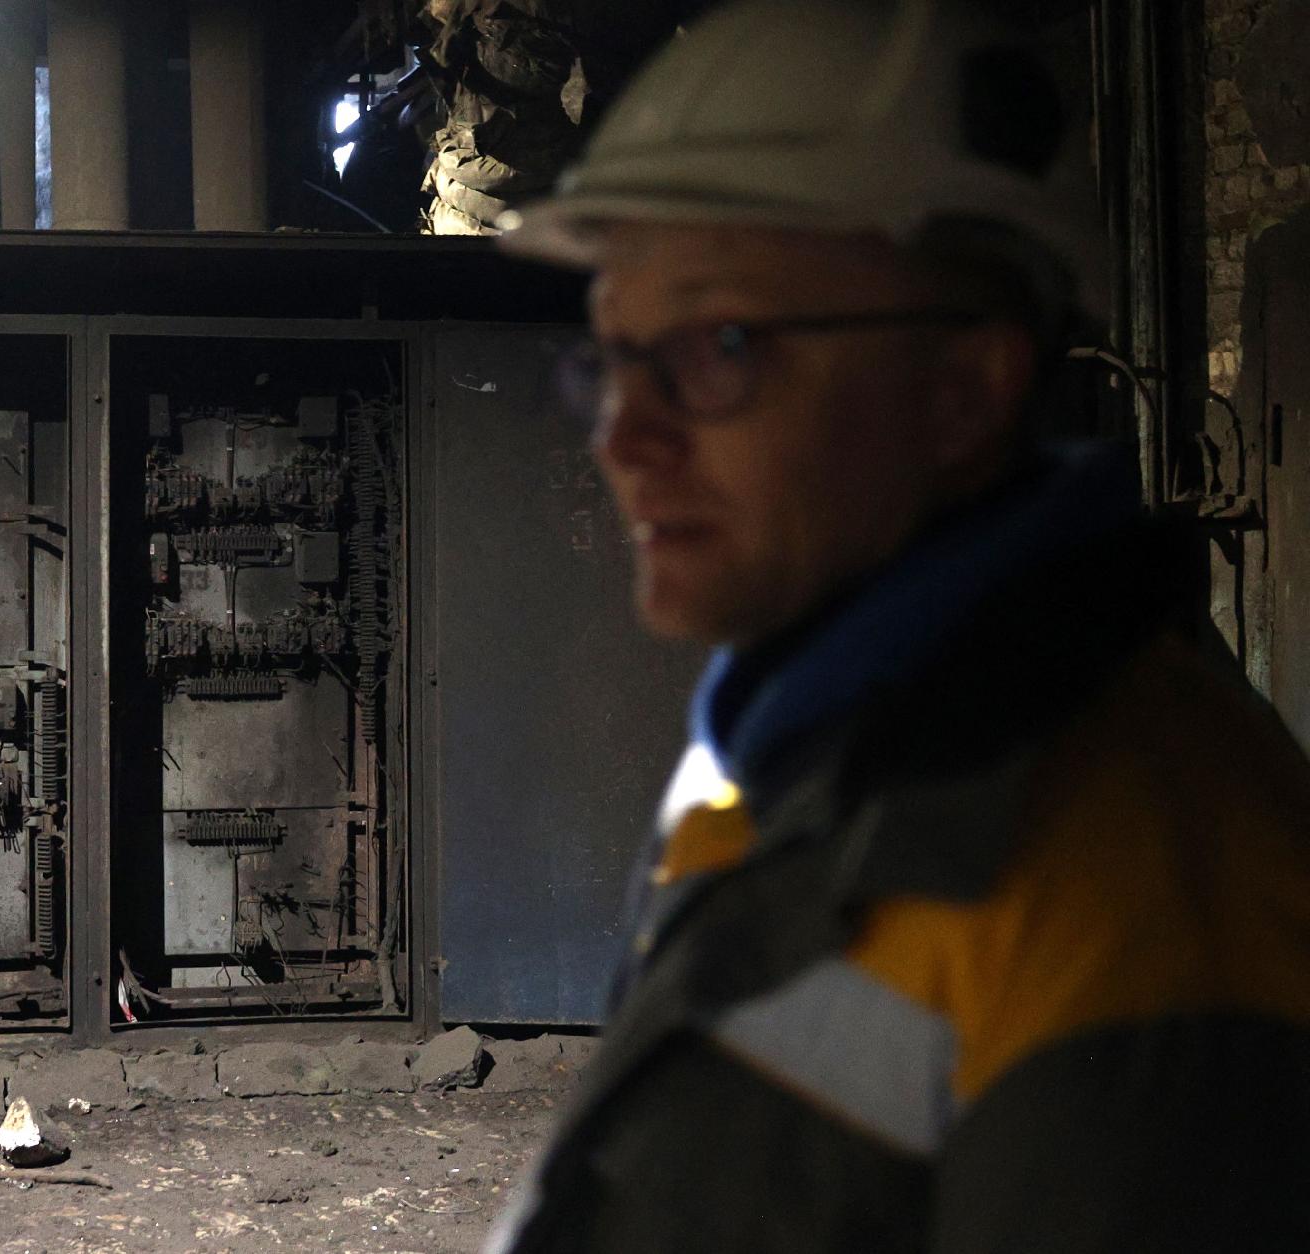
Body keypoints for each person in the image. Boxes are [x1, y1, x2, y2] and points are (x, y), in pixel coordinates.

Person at [484, 1, 1310, 1250]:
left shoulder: (1146, 894)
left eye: (720, 345)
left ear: (964, 388)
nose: (625, 436)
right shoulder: (793, 758)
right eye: (614, 357)